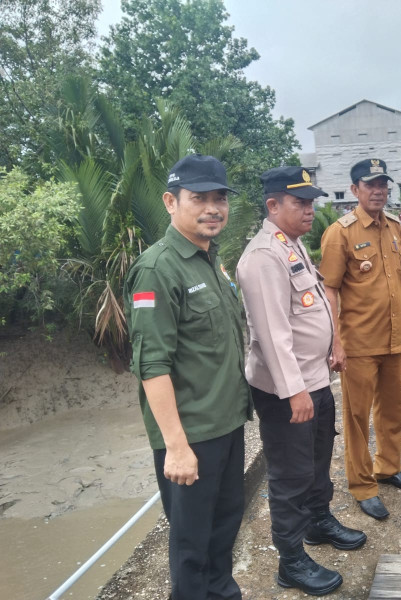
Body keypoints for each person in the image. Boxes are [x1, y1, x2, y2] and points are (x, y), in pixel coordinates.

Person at [124, 154, 252, 600]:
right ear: (171, 202)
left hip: (226, 423)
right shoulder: (158, 269)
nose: (212, 207)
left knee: (224, 528)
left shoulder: (208, 261)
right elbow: (151, 365)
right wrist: (176, 448)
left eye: (219, 198)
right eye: (199, 198)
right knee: (192, 546)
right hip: (191, 434)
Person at [236, 167, 366, 596]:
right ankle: (290, 560)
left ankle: (318, 522)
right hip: (285, 390)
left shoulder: (290, 245)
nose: (310, 210)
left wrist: (334, 344)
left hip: (314, 378)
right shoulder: (262, 257)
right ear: (273, 206)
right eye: (300, 203)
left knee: (316, 460)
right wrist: (294, 391)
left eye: (311, 202)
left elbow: (310, 308)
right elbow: (271, 333)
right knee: (290, 475)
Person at [319, 158, 401, 520]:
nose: (378, 190)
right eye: (370, 185)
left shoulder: (395, 227)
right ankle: (363, 485)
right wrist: (335, 342)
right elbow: (329, 290)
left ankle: (389, 468)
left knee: (393, 410)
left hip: (395, 339)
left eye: (383, 184)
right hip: (359, 343)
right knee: (356, 416)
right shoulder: (340, 232)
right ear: (355, 190)